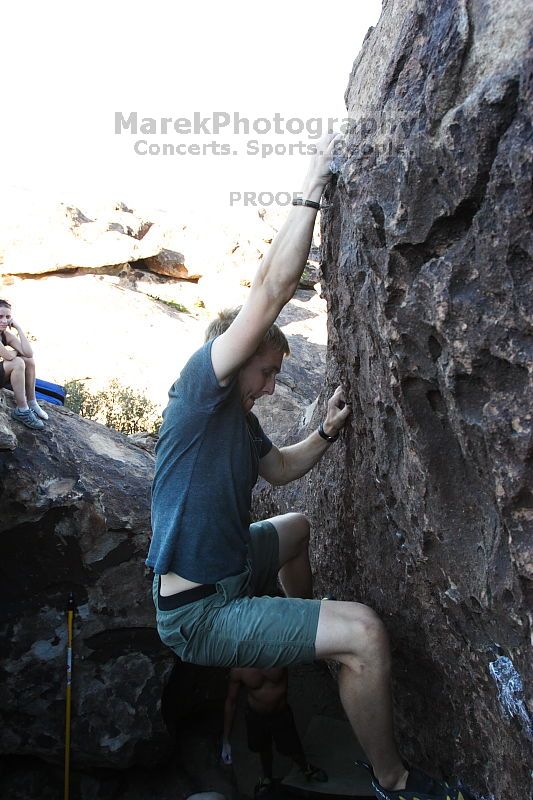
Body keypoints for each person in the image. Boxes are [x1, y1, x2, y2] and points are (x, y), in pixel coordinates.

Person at [147, 135, 473, 800]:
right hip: (200, 613)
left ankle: (309, 637)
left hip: (232, 569)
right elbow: (268, 291)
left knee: (294, 527)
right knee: (363, 633)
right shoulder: (199, 392)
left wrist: (325, 431)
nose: (271, 385)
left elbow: (279, 471)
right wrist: (309, 192)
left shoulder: (237, 423)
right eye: (266, 373)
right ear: (234, 363)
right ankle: (396, 783)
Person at [221, 666, 327, 792]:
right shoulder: (239, 669)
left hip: (280, 713)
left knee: (292, 748)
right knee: (263, 748)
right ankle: (267, 777)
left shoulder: (280, 653)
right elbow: (231, 702)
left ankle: (306, 768)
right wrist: (226, 740)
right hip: (256, 716)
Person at [0, 299, 48, 430]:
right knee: (17, 362)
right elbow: (9, 356)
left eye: (7, 317)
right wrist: (16, 351)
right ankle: (22, 410)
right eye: (0, 316)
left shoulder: (5, 335)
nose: (4, 320)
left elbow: (28, 353)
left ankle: (32, 402)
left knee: (28, 361)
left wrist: (19, 328)